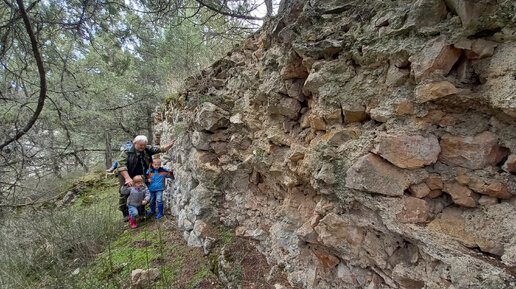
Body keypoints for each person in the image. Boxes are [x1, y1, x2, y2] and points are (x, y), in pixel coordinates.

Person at [117, 135, 174, 221]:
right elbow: (121, 166)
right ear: (134, 143)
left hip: (141, 175)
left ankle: (141, 211)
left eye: (144, 145)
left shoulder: (147, 149)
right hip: (128, 175)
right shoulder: (127, 152)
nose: (142, 147)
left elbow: (159, 149)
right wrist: (127, 178)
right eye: (140, 145)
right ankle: (125, 212)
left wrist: (168, 146)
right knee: (125, 193)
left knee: (142, 192)